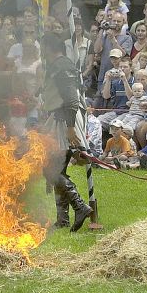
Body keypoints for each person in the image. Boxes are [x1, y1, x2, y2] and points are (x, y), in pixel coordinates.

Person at [41, 36, 94, 231]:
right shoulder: (59, 65)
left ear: (49, 47)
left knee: (51, 170)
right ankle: (62, 220)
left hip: (65, 120)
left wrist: (70, 128)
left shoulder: (62, 66)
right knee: (56, 169)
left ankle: (80, 206)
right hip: (60, 118)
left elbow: (71, 100)